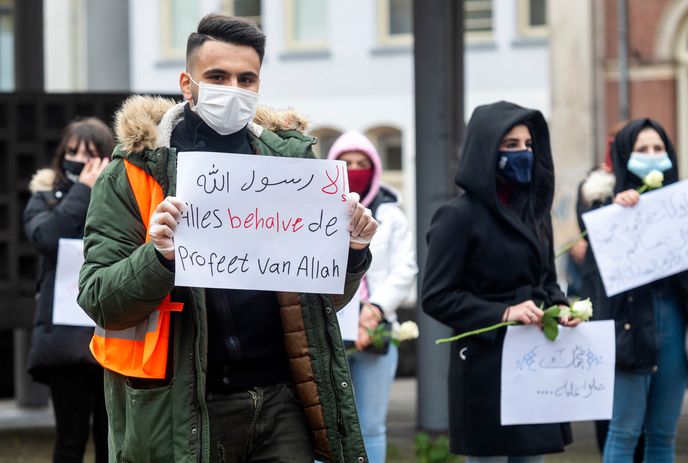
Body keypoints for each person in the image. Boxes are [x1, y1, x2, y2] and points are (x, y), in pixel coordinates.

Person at [77, 14, 378, 463]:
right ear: (187, 82)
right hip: (189, 406)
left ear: (259, 85)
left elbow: (320, 302)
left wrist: (351, 252)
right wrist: (157, 259)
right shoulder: (135, 172)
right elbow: (98, 298)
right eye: (217, 76)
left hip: (282, 403)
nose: (233, 89)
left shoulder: (292, 166)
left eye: (246, 78)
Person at [422, 101, 580, 462]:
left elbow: (548, 281)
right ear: (486, 148)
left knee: (531, 458)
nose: (523, 152)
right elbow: (436, 297)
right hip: (485, 368)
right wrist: (503, 313)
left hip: (535, 359)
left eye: (528, 144)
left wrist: (561, 307)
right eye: (511, 145)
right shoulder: (456, 217)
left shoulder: (536, 214)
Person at [581, 118, 688, 463]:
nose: (652, 155)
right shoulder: (605, 206)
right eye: (641, 149)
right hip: (629, 327)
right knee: (624, 431)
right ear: (623, 155)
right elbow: (596, 274)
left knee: (663, 434)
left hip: (673, 320)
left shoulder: (684, 206)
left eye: (658, 148)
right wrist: (615, 213)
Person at [23, 117, 112, 462]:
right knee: (69, 441)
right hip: (63, 341)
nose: (78, 159)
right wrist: (82, 191)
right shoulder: (43, 196)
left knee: (111, 441)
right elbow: (46, 237)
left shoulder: (119, 195)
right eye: (72, 151)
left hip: (107, 333)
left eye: (89, 153)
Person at [326, 131, 418, 463]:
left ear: (375, 168)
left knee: (371, 428)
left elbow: (404, 269)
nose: (354, 169)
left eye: (362, 164)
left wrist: (375, 309)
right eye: (346, 163)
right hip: (331, 332)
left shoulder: (392, 215)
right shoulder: (318, 213)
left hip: (377, 332)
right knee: (327, 427)